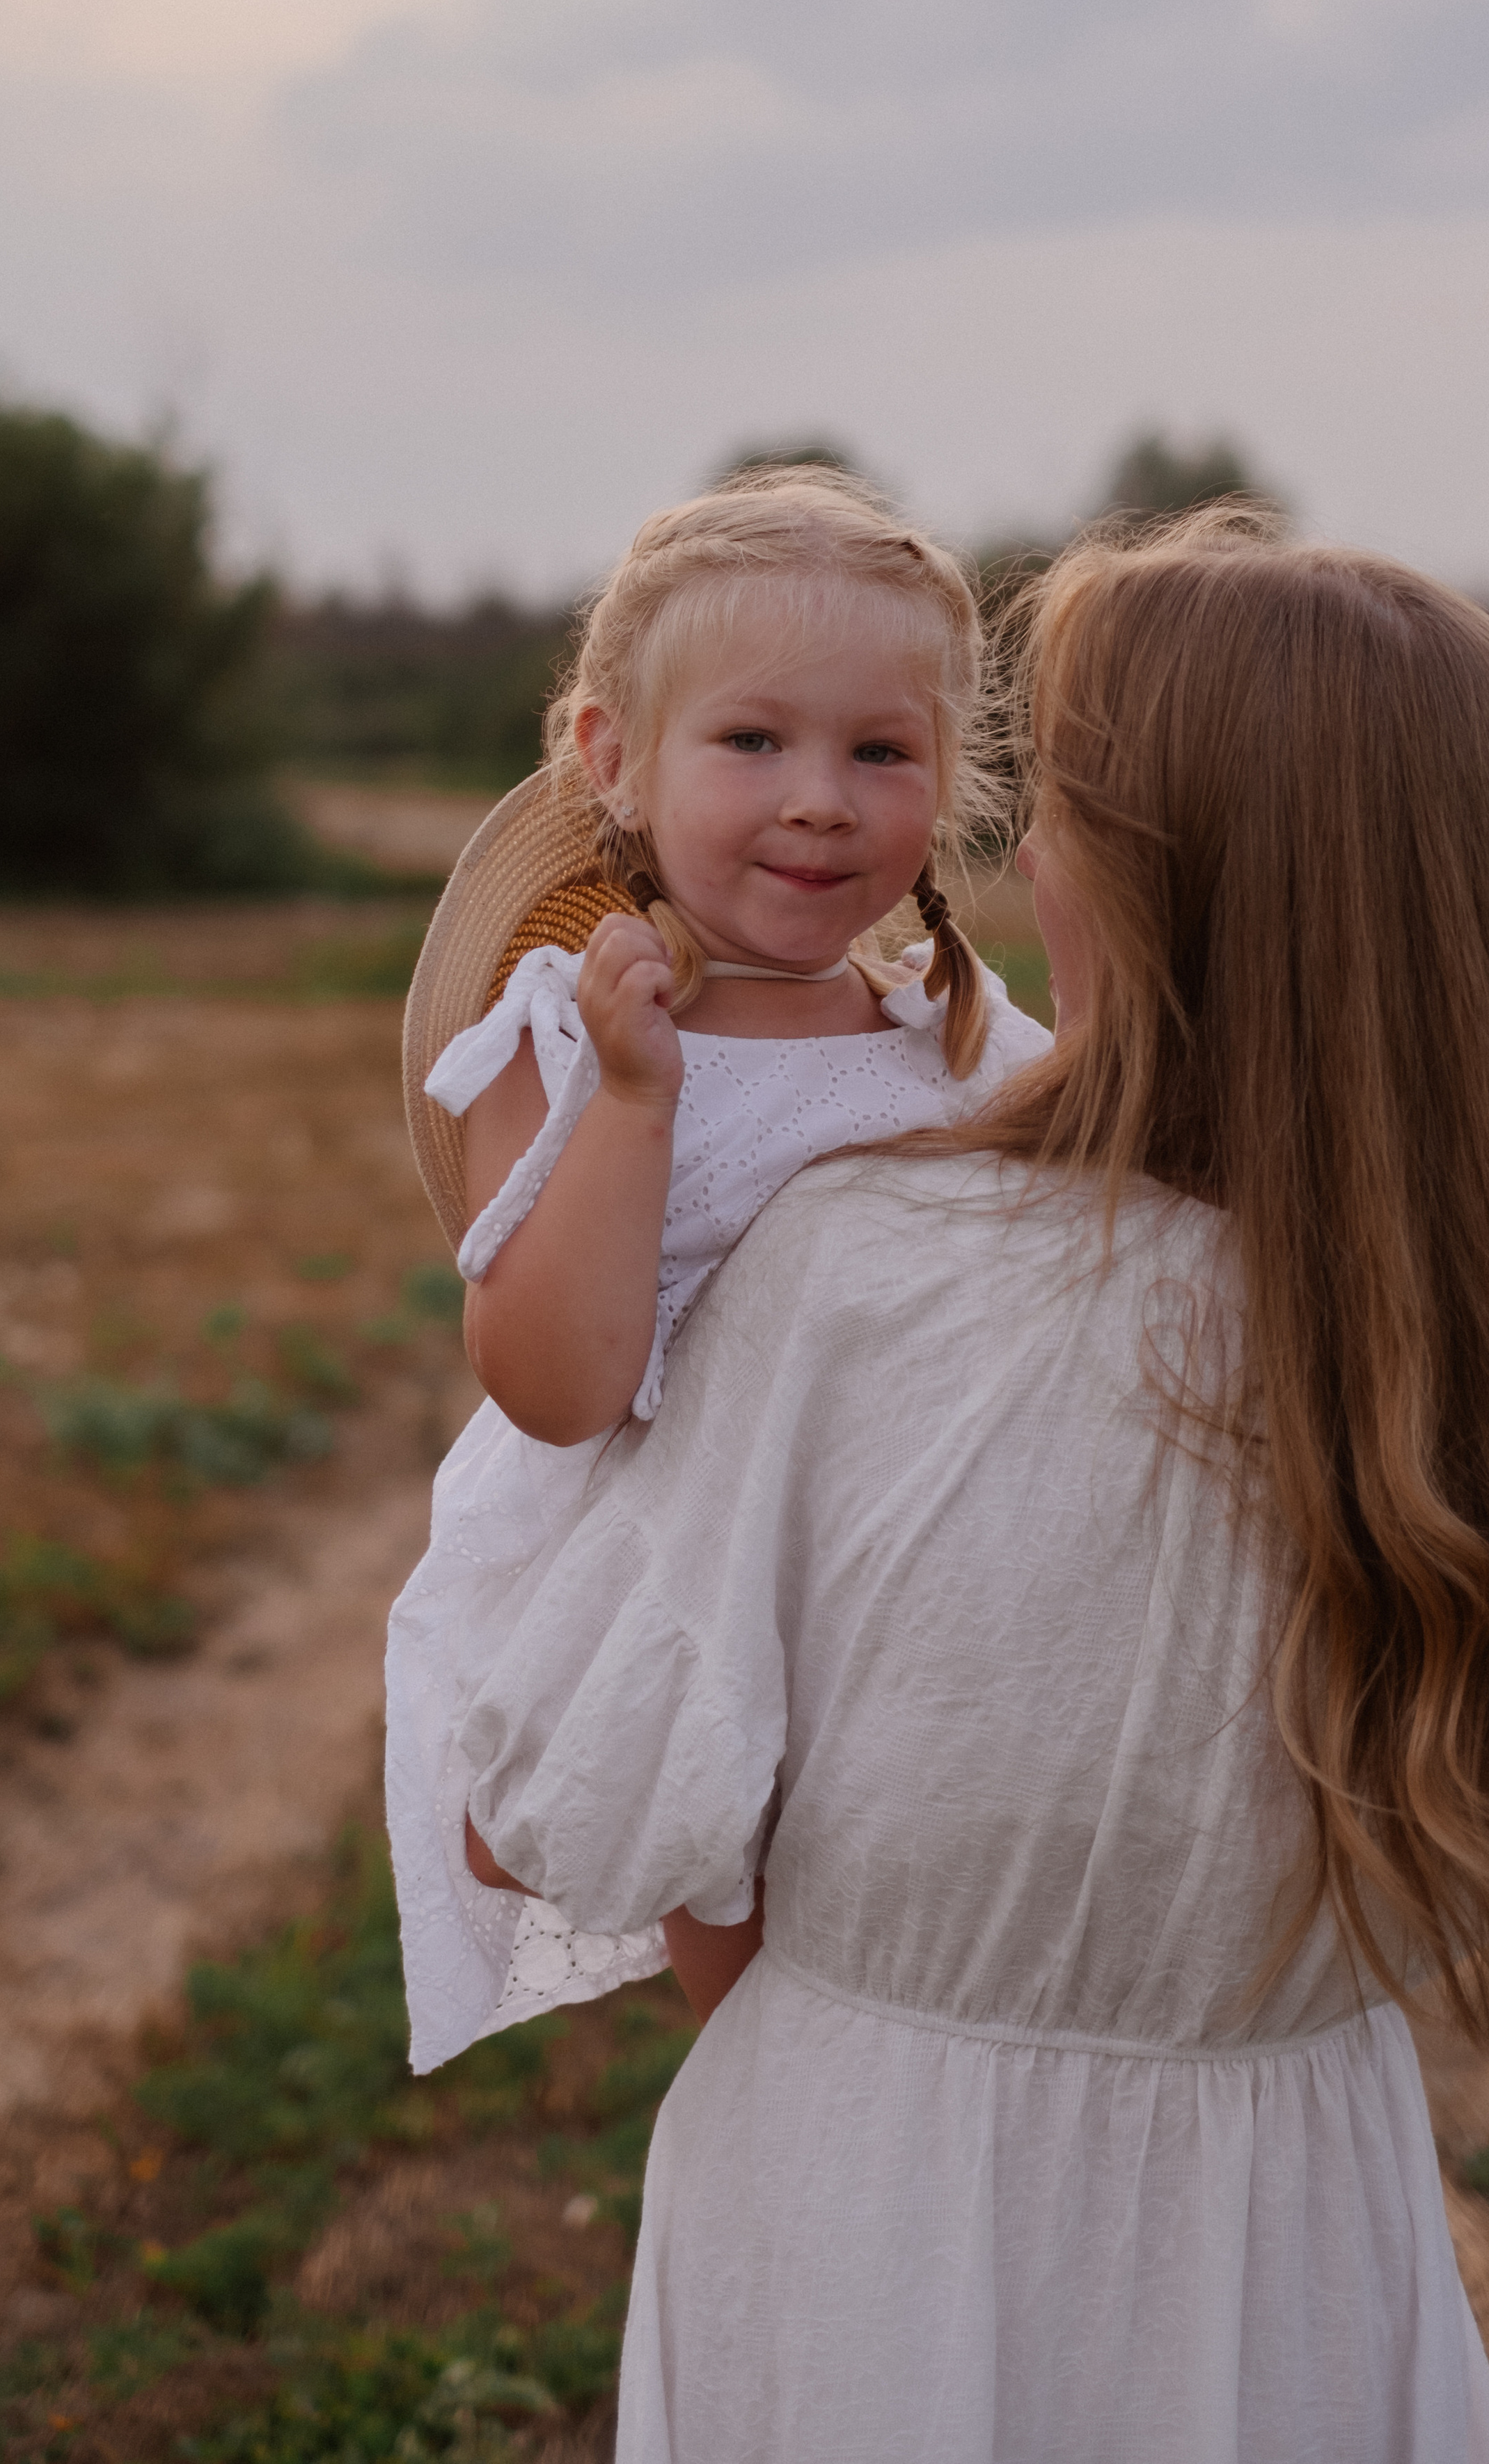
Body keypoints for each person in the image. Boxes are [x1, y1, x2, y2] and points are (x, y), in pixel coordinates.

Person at [457, 510, 1489, 2462]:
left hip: (880, 2207)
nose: (1018, 850)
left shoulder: (865, 1268)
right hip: (1306, 2197)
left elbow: (535, 1831)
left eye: (1062, 806)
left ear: (1164, 878)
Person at [385, 467, 1051, 2071]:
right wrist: (633, 1101)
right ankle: (785, 2129)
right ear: (611, 761)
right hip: (674, 1564)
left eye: (878, 752)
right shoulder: (562, 1033)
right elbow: (555, 1387)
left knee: (914, 1950)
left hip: (906, 1574)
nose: (819, 796)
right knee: (766, 1968)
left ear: (942, 785)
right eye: (753, 740)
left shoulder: (959, 1041)